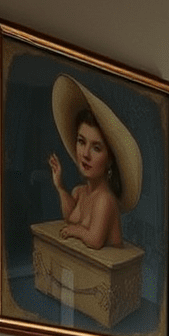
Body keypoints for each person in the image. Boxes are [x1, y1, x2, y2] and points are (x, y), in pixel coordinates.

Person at [48, 74, 143, 251]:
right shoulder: (79, 192)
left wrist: (75, 230)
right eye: (81, 142)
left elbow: (95, 240)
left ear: (109, 160)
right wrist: (60, 186)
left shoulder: (105, 200)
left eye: (96, 148)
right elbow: (69, 216)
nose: (85, 154)